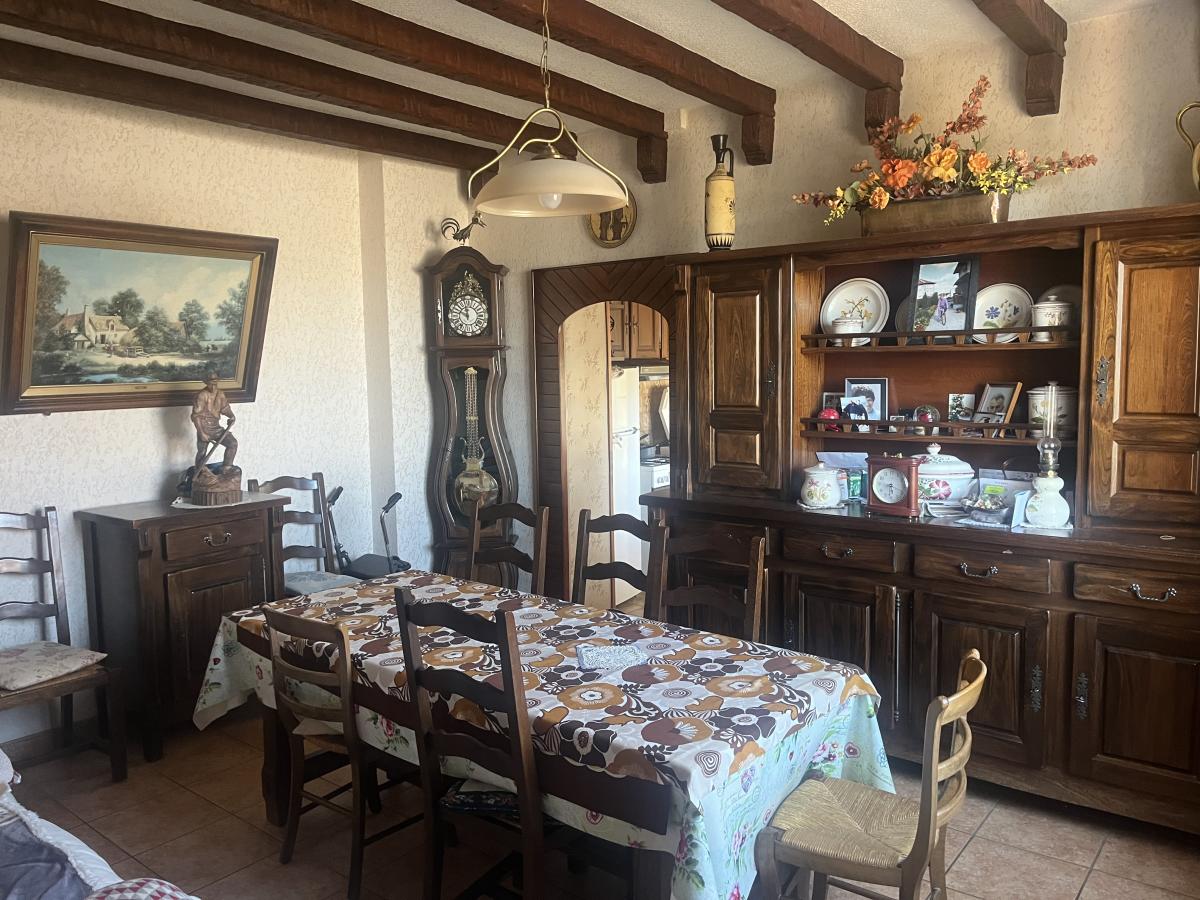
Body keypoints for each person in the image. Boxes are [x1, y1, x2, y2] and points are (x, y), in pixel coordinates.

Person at [192, 371, 237, 472]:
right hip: (204, 428)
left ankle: (226, 468)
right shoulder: (201, 395)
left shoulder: (220, 394)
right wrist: (202, 433)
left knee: (233, 444)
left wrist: (231, 416)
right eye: (210, 384)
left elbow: (225, 408)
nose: (213, 386)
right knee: (202, 452)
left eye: (215, 383)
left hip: (216, 428)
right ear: (205, 382)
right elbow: (196, 416)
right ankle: (199, 472)